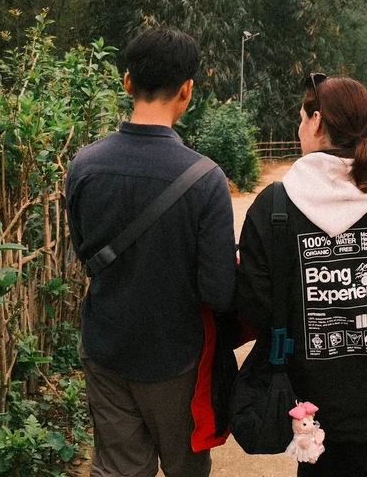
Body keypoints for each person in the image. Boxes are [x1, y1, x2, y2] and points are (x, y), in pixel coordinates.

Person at [236, 75, 367, 477]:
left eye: (301, 118)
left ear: (316, 121)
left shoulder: (274, 206)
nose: (299, 128)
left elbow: (254, 306)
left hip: (308, 410)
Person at [64, 28, 236, 477]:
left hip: (106, 348)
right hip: (175, 360)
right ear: (187, 90)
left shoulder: (84, 166)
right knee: (185, 468)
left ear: (127, 83)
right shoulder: (207, 180)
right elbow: (219, 292)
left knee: (117, 468)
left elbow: (84, 254)